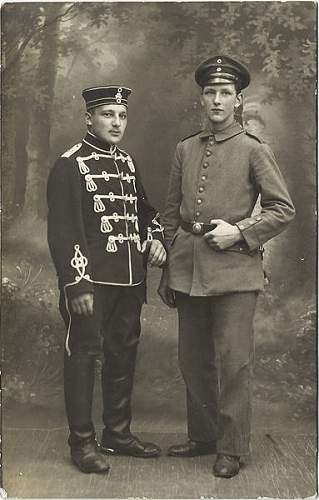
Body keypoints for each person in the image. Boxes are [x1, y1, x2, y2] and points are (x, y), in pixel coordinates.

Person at [158, 56, 295, 478]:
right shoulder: (186, 147)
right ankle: (203, 437)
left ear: (238, 100)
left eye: (225, 93)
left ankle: (232, 448)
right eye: (210, 92)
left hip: (234, 271)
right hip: (188, 268)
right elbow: (169, 212)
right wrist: (168, 266)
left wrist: (240, 232)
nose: (216, 100)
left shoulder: (254, 149)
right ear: (202, 98)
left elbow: (281, 209)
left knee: (234, 362)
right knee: (193, 359)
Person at [47, 85, 166, 474]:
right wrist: (76, 284)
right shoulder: (70, 164)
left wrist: (156, 239)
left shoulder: (128, 162)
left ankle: (117, 434)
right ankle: (81, 441)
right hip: (91, 283)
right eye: (108, 115)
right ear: (89, 118)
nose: (117, 123)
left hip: (130, 282)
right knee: (83, 355)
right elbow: (64, 231)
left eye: (122, 115)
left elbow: (145, 213)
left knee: (123, 354)